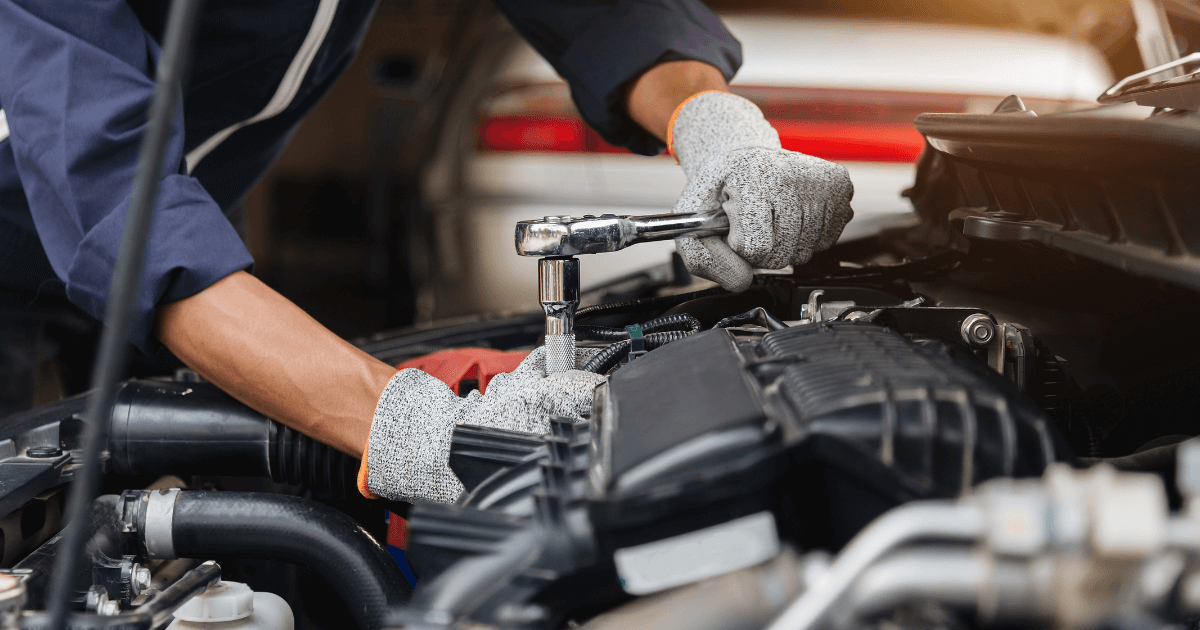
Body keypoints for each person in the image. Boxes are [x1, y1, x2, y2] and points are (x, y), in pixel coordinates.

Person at [0, 0, 853, 503]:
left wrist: (715, 127)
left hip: (166, 247)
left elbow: (611, 14)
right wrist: (418, 426)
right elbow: (115, 201)